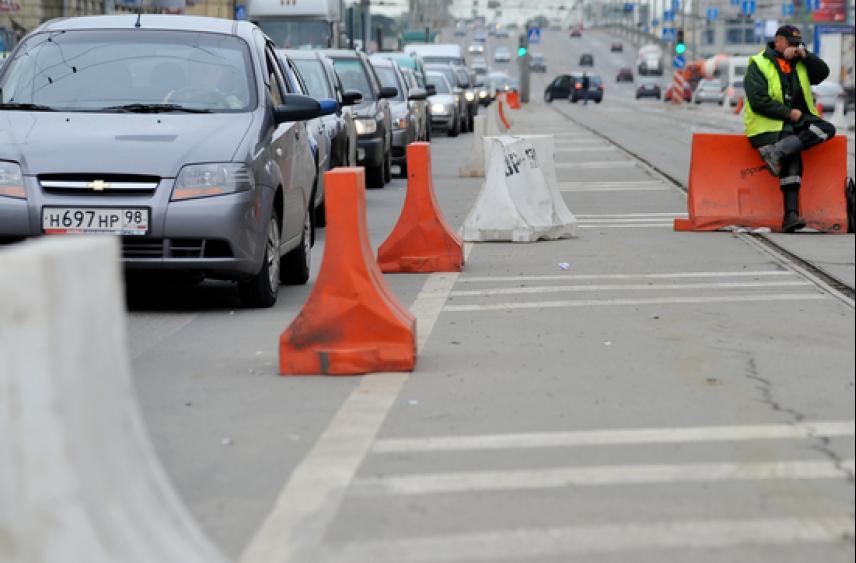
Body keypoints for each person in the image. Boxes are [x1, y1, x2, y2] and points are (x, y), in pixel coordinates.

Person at [743, 24, 836, 232]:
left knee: (827, 129)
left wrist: (805, 55)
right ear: (778, 42)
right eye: (791, 43)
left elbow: (823, 73)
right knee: (793, 153)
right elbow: (758, 101)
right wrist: (788, 113)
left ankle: (777, 152)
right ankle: (791, 215)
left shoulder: (799, 62)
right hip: (768, 125)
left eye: (798, 43)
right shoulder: (759, 63)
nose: (795, 47)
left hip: (797, 121)